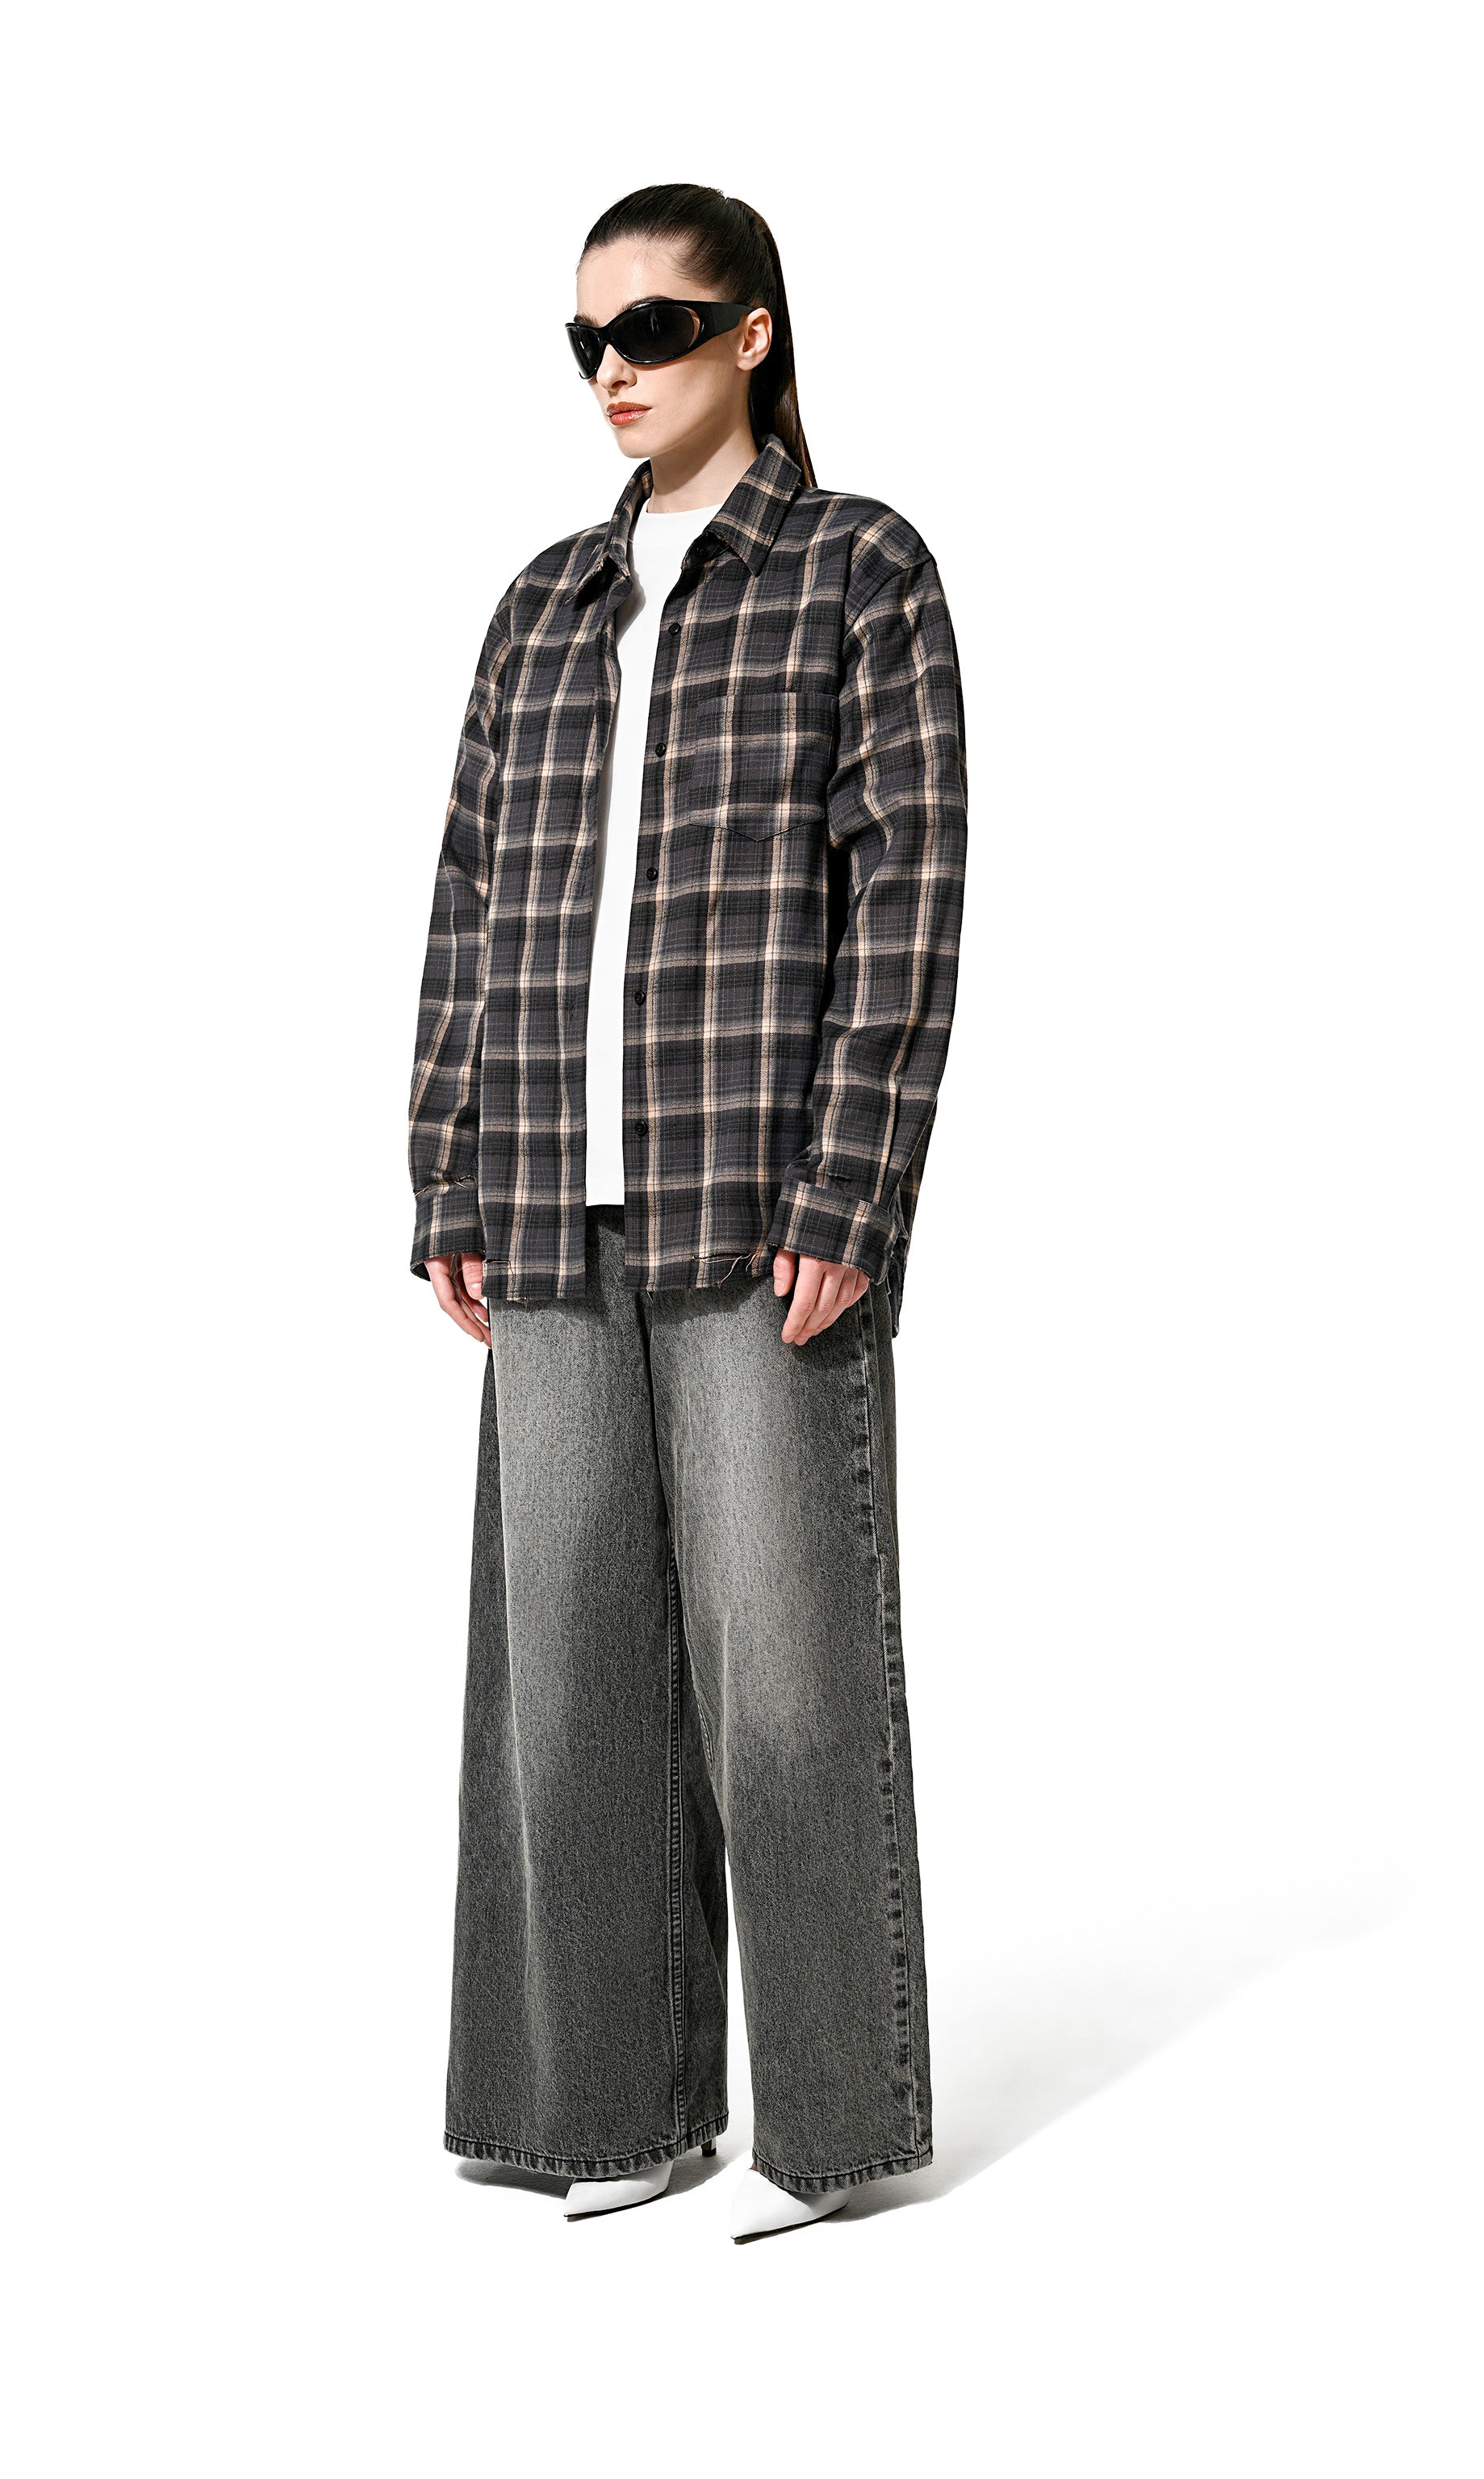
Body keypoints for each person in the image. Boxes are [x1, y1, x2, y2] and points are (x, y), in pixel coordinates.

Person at [405, 182, 968, 2241]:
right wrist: (449, 1166)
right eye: (587, 338)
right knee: (565, 1674)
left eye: (653, 325)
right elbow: (472, 896)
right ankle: (613, 2111)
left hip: (757, 1198)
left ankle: (834, 2131)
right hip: (552, 1202)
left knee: (788, 1671)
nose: (614, 367)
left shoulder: (857, 571)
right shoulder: (547, 606)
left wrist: (856, 1187)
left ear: (751, 332)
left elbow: (906, 893)